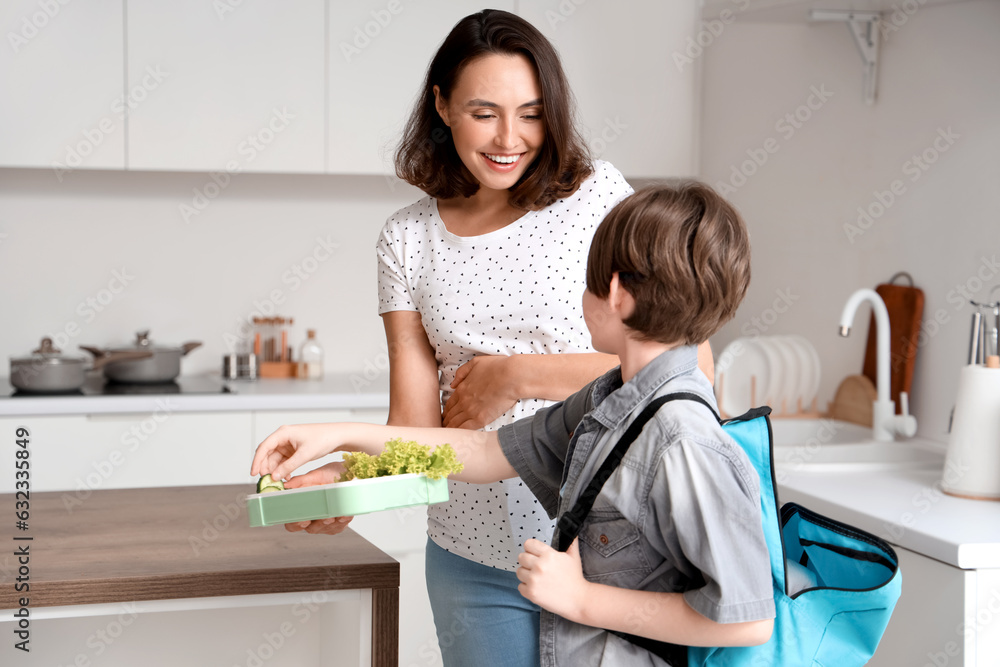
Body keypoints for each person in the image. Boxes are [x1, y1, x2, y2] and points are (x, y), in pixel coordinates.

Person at [282, 9, 711, 666]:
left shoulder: (597, 199)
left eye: (532, 113)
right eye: (484, 112)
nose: (510, 137)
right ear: (442, 106)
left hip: (610, 552)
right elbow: (416, 426)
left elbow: (692, 362)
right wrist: (347, 483)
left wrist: (516, 375)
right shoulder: (407, 240)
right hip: (474, 557)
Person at [252, 183, 775, 666]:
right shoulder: (608, 398)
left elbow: (747, 621)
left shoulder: (684, 439)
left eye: (584, 282)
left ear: (614, 293)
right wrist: (341, 437)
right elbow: (482, 454)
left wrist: (581, 599)